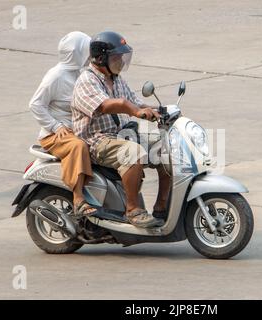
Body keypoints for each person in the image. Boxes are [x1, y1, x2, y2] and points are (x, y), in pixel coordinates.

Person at [71, 31, 171, 228]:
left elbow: (136, 103)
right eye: (116, 57)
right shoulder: (87, 81)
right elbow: (105, 106)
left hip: (121, 134)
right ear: (101, 58)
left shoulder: (115, 78)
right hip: (97, 141)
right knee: (133, 153)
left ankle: (162, 206)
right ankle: (133, 210)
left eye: (121, 57)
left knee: (167, 148)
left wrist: (162, 111)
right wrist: (131, 109)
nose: (120, 61)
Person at [29, 31, 97, 217]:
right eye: (86, 51)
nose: (90, 56)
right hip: (55, 135)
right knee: (78, 146)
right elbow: (35, 104)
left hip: (77, 130)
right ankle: (78, 198)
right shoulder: (56, 76)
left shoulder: (79, 74)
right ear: (77, 53)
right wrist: (55, 126)